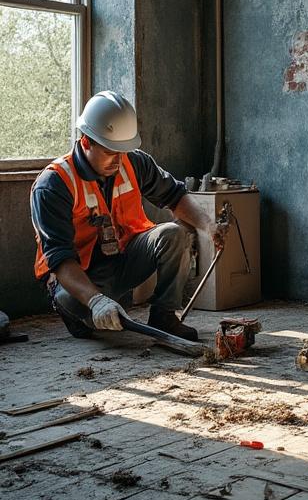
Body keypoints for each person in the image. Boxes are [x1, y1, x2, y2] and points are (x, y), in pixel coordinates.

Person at [31, 91, 225, 342]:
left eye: (124, 150)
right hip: (78, 278)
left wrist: (208, 226)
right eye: (111, 151)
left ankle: (164, 316)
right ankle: (90, 312)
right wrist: (96, 300)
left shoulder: (133, 163)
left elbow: (175, 196)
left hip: (122, 261)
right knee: (86, 315)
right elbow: (60, 259)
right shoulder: (54, 184)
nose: (119, 160)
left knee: (174, 234)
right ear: (87, 142)